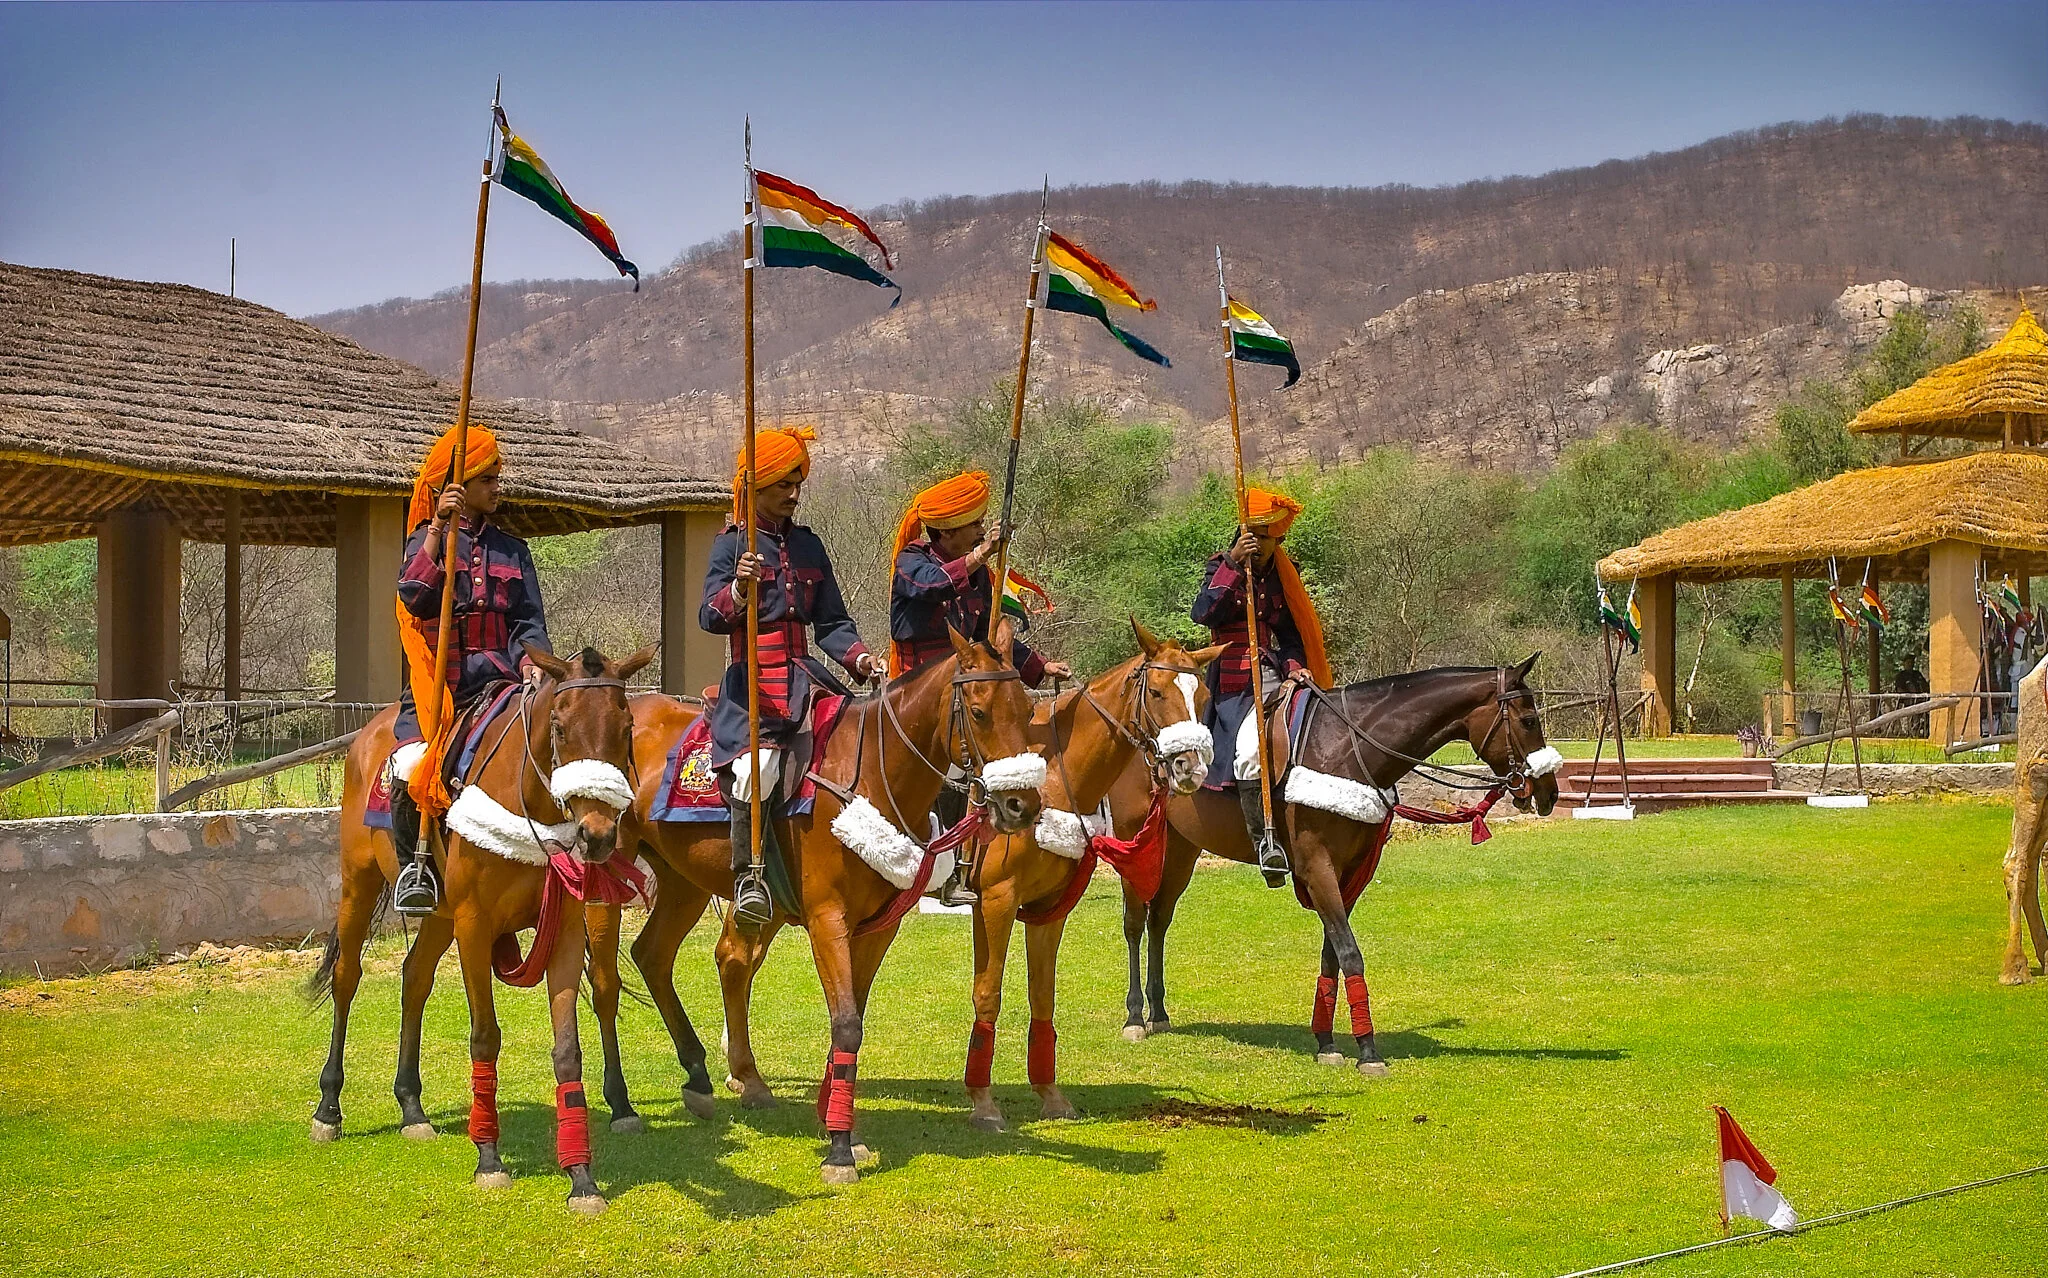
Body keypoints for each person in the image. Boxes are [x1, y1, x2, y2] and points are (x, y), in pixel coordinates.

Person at [702, 425, 880, 926]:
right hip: (750, 684)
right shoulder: (728, 546)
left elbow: (833, 622)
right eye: (783, 484)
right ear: (754, 487)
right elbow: (709, 617)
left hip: (806, 675)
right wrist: (738, 590)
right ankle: (750, 878)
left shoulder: (808, 545)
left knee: (861, 742)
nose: (793, 493)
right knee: (754, 771)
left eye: (797, 483)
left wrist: (860, 658)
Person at [388, 423, 553, 915]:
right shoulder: (425, 540)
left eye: (497, 476)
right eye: (487, 479)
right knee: (410, 766)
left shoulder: (513, 550)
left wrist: (532, 664)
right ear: (456, 486)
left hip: (501, 683)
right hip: (443, 686)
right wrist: (439, 529)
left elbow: (529, 621)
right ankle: (415, 868)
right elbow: (414, 597)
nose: (497, 486)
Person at [888, 470, 1070, 905]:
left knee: (976, 765)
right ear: (947, 530)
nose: (978, 532)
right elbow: (931, 588)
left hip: (969, 690)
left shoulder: (982, 578)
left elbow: (989, 641)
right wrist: (980, 556)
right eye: (972, 526)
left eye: (981, 526)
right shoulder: (912, 562)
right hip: (917, 693)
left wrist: (1040, 666)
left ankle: (958, 868)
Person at [1190, 488, 1332, 885]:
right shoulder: (1220, 566)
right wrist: (1234, 564)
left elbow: (1289, 634)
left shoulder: (1283, 576)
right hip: (1234, 684)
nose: (1261, 544)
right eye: (1253, 535)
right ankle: (1266, 843)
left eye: (1267, 537)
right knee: (1250, 754)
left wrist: (1294, 668)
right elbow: (1203, 613)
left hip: (1277, 678)